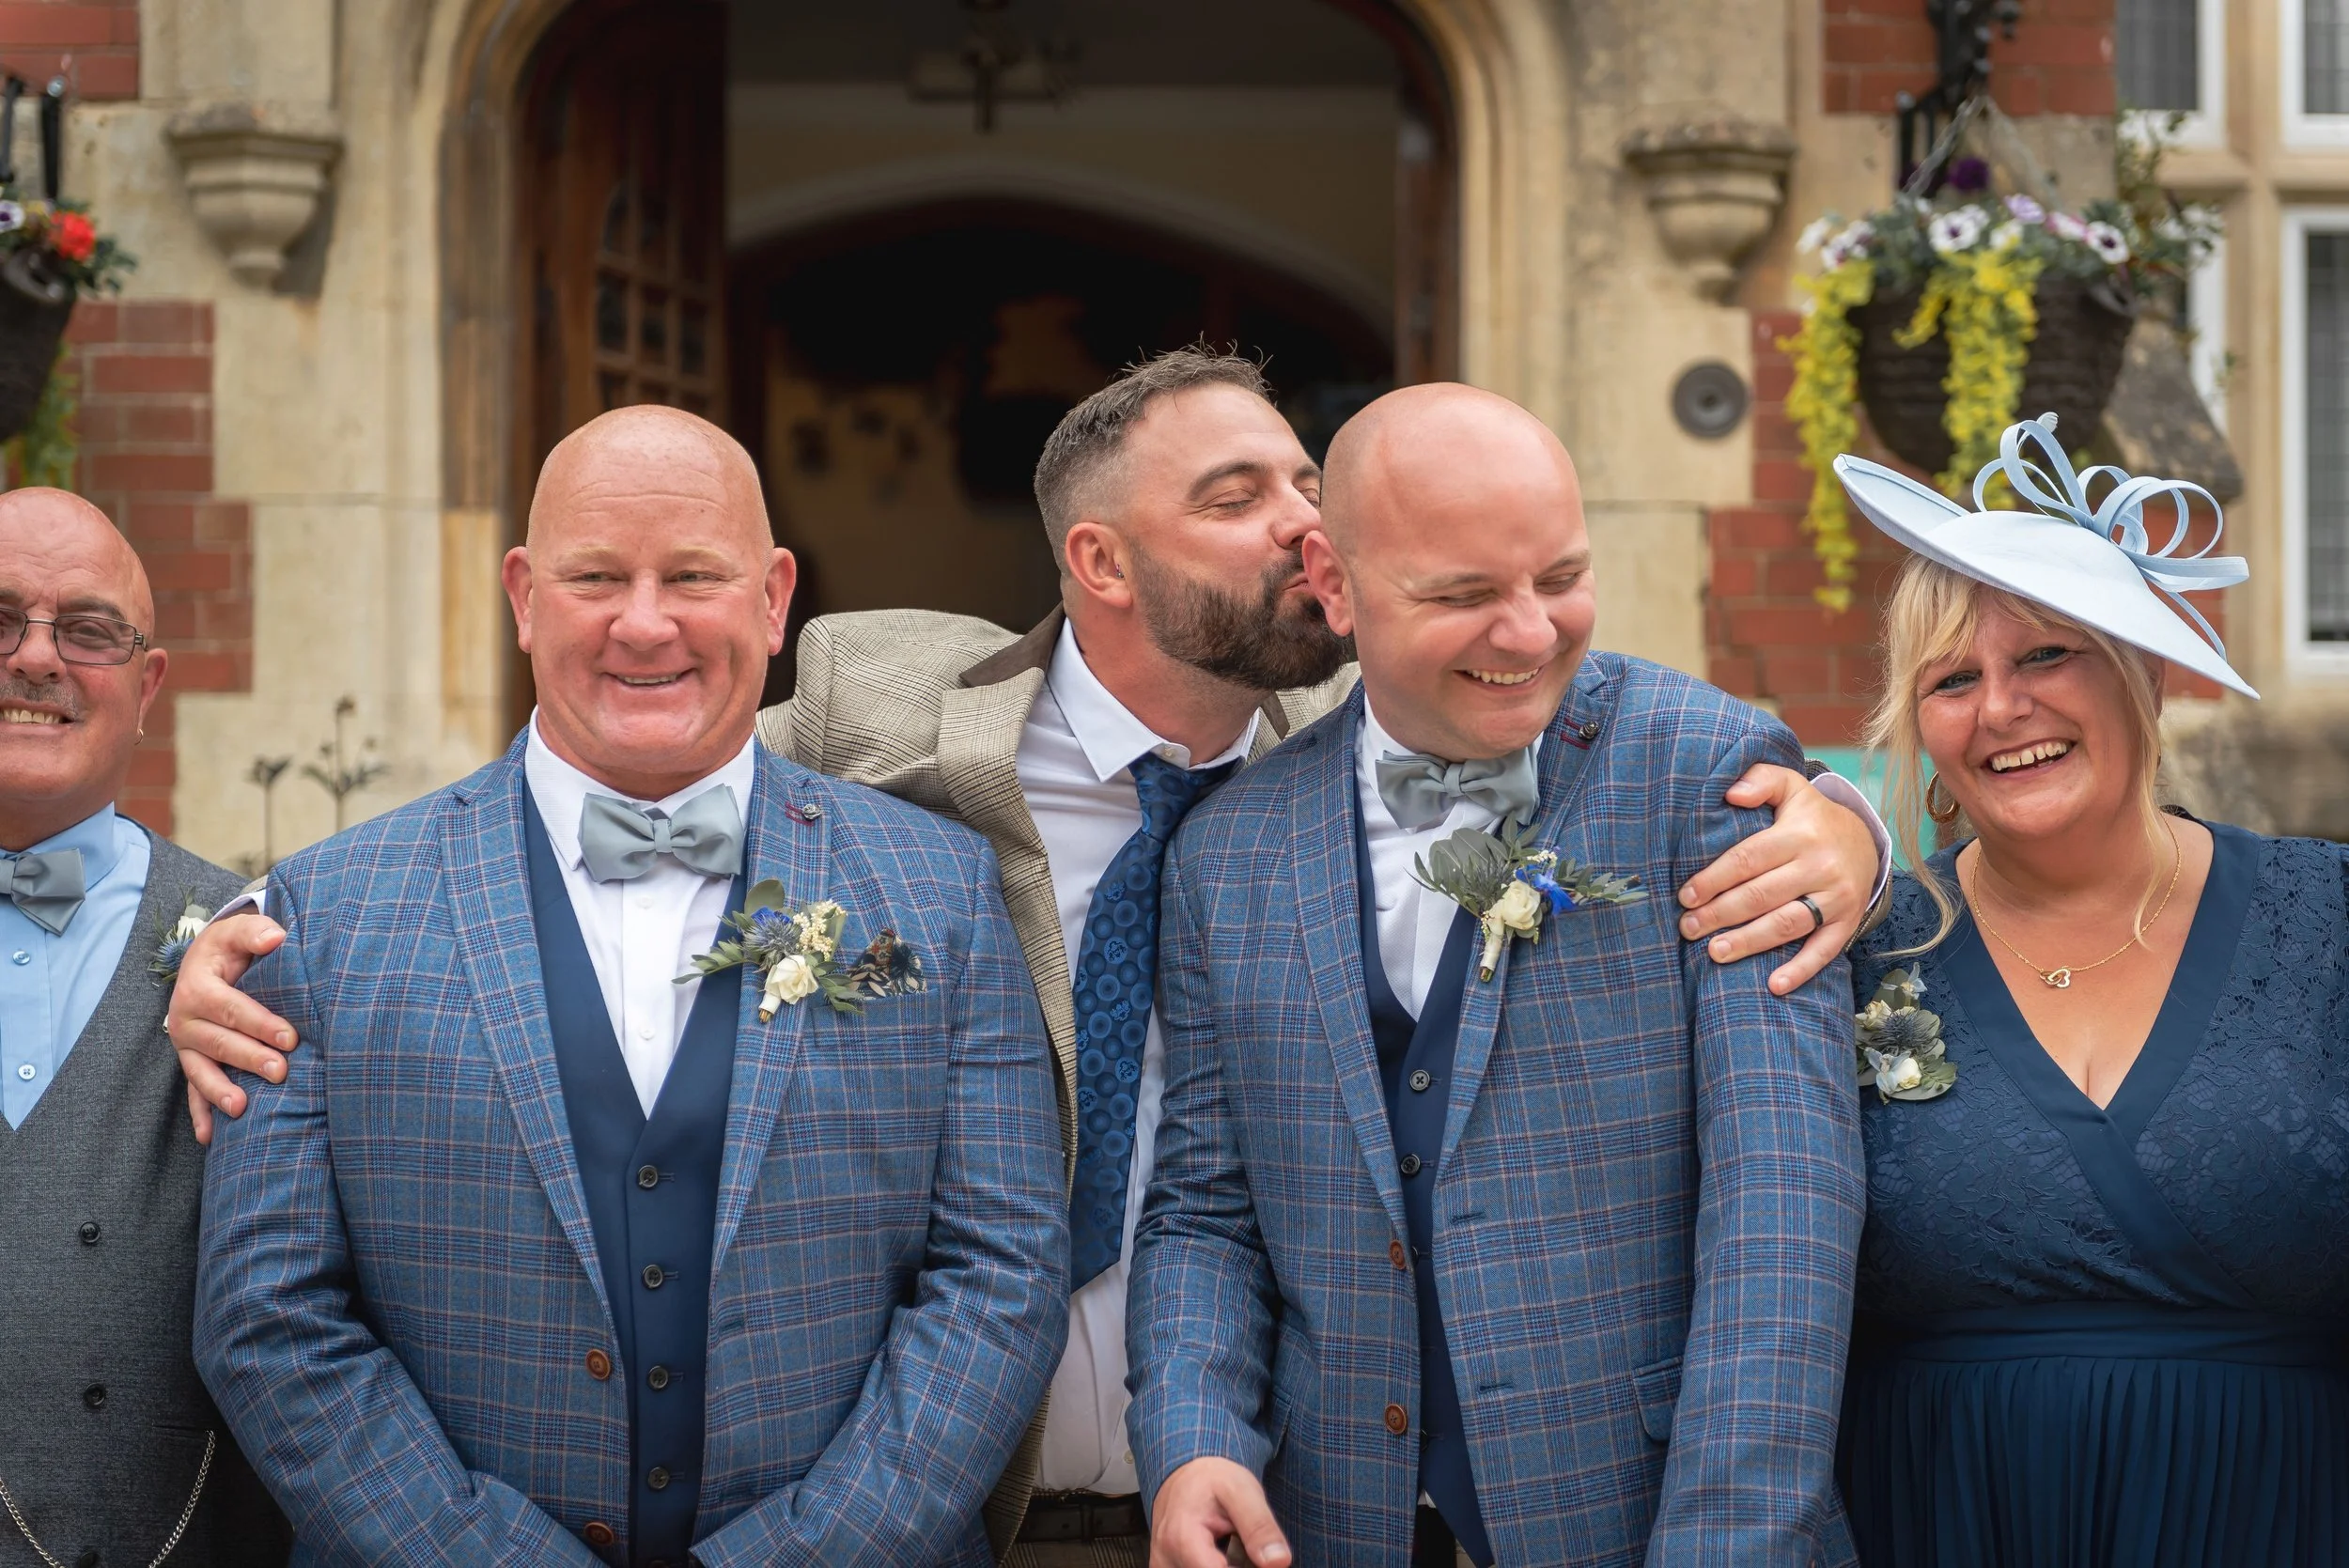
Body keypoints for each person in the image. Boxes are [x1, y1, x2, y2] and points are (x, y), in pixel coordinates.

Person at [166, 349, 1887, 1565]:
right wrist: (210, 939)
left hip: (1291, 1507)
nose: (1303, 526)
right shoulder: (881, 723)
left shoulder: (1518, 745)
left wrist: (1866, 815)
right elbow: (606, 742)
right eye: (1247, 493)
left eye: (1315, 487)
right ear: (1098, 560)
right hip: (998, 1522)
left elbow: (1611, 694)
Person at [191, 407, 1067, 1565]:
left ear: (772, 597)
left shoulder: (942, 887)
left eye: (693, 575)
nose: (643, 622)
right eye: (595, 574)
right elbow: (270, 1317)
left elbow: (1001, 1275)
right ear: (521, 596)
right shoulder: (321, 912)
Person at [1130, 383, 1866, 1568]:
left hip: (1643, 1519)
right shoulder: (1228, 851)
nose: (1527, 633)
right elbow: (1207, 1209)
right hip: (1330, 1530)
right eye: (1461, 594)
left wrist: (1725, 1547)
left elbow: (1779, 1213)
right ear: (1332, 581)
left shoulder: (1706, 775)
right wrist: (1193, 1435)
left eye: (1560, 577)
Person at [1830, 417, 2349, 1567]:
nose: (2001, 708)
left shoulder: (2329, 922)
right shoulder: (1858, 952)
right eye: (1952, 679)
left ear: (2144, 670)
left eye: (2046, 655)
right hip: (1937, 1518)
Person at [0, 489, 289, 1568]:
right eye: (0, 620)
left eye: (86, 630)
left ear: (147, 684)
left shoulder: (267, 944)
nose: (35, 659)